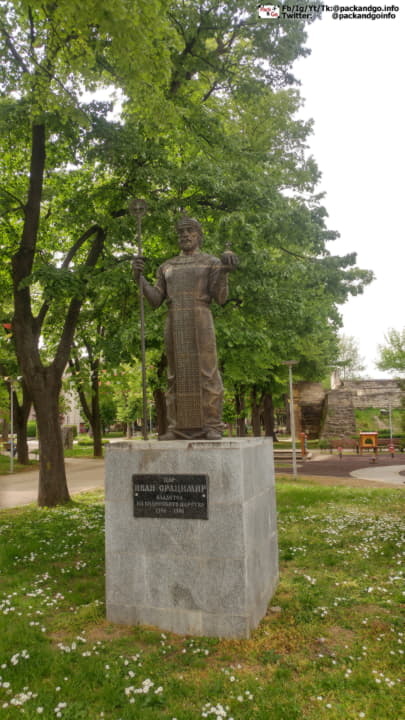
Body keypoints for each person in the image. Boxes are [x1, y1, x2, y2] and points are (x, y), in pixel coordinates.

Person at [132, 217, 238, 440]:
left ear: (199, 235)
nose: (185, 235)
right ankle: (176, 426)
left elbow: (220, 297)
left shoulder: (210, 262)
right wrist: (139, 278)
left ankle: (211, 425)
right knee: (174, 374)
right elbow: (154, 300)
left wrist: (225, 271)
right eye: (181, 231)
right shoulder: (167, 266)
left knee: (207, 372)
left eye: (190, 231)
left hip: (200, 316)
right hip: (175, 317)